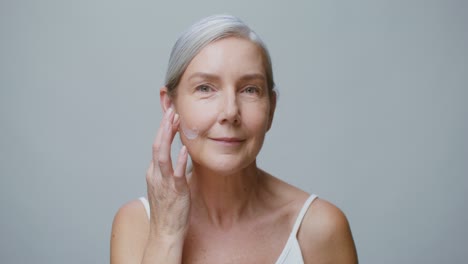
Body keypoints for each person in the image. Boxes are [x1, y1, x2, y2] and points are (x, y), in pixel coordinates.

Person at [110, 14, 358, 264]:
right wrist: (165, 235)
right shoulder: (137, 224)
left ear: (271, 108)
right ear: (170, 106)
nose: (230, 112)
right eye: (205, 88)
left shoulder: (320, 229)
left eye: (250, 90)